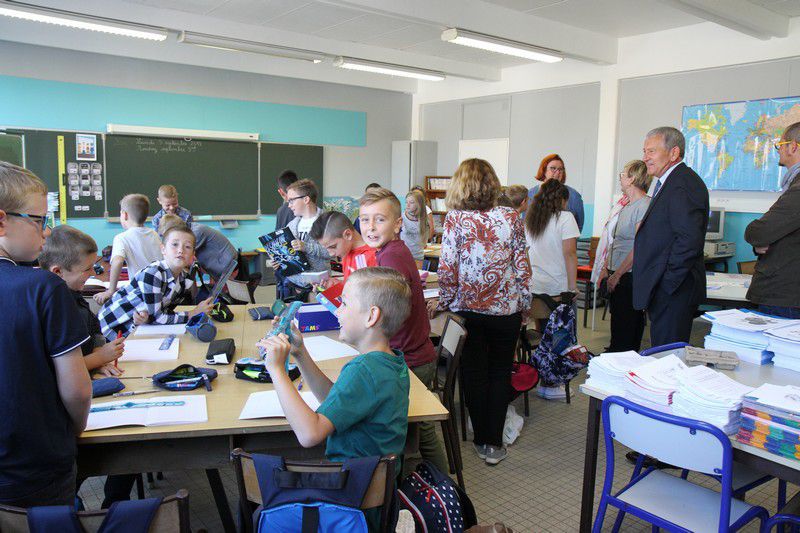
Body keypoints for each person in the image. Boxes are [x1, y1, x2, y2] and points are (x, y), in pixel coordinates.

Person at [0, 162, 92, 507]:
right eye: (38, 220)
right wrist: (74, 430)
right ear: (1, 222)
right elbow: (77, 390)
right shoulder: (43, 287)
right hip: (34, 471)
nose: (47, 231)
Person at [435, 159, 531, 466]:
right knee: (500, 372)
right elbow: (522, 266)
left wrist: (444, 302)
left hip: (469, 311)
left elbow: (447, 269)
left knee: (474, 374)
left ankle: (481, 441)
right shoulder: (510, 216)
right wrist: (525, 304)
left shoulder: (454, 219)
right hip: (506, 310)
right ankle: (494, 442)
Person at [359, 188, 448, 473]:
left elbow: (393, 312)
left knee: (422, 429)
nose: (371, 227)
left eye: (380, 220)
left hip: (410, 359)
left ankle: (446, 486)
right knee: (417, 428)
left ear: (397, 224)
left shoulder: (392, 257)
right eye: (365, 220)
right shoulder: (390, 251)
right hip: (411, 353)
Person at [633, 126, 709, 346]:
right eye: (645, 151)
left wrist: (667, 284)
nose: (645, 158)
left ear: (674, 153)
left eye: (652, 151)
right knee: (662, 349)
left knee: (667, 354)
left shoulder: (683, 184)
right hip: (667, 288)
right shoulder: (670, 181)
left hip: (674, 290)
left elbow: (689, 241)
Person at [98, 225, 213, 340]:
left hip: (138, 326)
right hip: (113, 326)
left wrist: (148, 319)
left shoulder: (183, 280)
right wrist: (193, 313)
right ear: (163, 249)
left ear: (193, 254)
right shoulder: (153, 274)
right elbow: (160, 318)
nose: (180, 250)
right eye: (174, 244)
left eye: (187, 247)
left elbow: (164, 312)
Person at [39, 225, 125, 375]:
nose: (93, 273)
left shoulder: (75, 295)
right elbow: (59, 369)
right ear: (58, 272)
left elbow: (94, 329)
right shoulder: (52, 309)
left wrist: (98, 359)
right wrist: (100, 357)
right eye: (87, 269)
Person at [745, 121, 800, 318]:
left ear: (792, 147)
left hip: (786, 295)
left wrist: (759, 239)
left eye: (780, 145)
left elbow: (758, 232)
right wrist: (761, 242)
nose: (779, 151)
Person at [598, 161, 652, 352]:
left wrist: (618, 274)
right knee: (618, 320)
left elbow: (640, 246)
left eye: (623, 174)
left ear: (632, 179)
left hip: (629, 275)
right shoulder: (626, 205)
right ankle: (616, 351)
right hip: (616, 270)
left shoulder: (644, 205)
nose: (620, 178)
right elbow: (614, 240)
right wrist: (606, 267)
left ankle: (622, 355)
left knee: (627, 323)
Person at [93, 194, 162, 305]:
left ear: (124, 215)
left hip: (140, 294)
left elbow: (118, 261)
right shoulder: (154, 234)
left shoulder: (121, 238)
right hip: (159, 289)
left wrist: (111, 291)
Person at [525, 179, 580, 299]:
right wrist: (572, 287)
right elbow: (570, 253)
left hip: (533, 284)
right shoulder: (566, 217)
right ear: (562, 200)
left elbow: (526, 251)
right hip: (556, 286)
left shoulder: (531, 219)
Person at [278, 179, 330, 294]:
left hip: (319, 286)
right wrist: (279, 260)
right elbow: (289, 255)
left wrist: (306, 247)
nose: (289, 205)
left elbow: (331, 253)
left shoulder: (326, 221)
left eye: (291, 200)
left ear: (306, 199)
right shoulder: (291, 225)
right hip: (295, 285)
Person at [158, 214, 237, 282]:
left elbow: (186, 259)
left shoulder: (195, 232)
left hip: (227, 268)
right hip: (221, 267)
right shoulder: (191, 230)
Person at [310, 210, 376, 280]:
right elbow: (350, 284)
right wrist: (334, 284)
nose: (331, 254)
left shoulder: (371, 257)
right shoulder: (346, 252)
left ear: (348, 234)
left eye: (333, 246)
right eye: (326, 248)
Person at [528, 154, 585, 232]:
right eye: (553, 168)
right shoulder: (531, 194)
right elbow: (526, 223)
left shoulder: (574, 195)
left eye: (561, 169)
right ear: (544, 170)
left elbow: (578, 226)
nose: (558, 172)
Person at [400, 189, 430, 262]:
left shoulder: (424, 219)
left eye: (412, 202)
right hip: (403, 256)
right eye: (406, 202)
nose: (407, 205)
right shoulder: (401, 218)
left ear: (419, 204)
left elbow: (424, 241)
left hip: (418, 256)